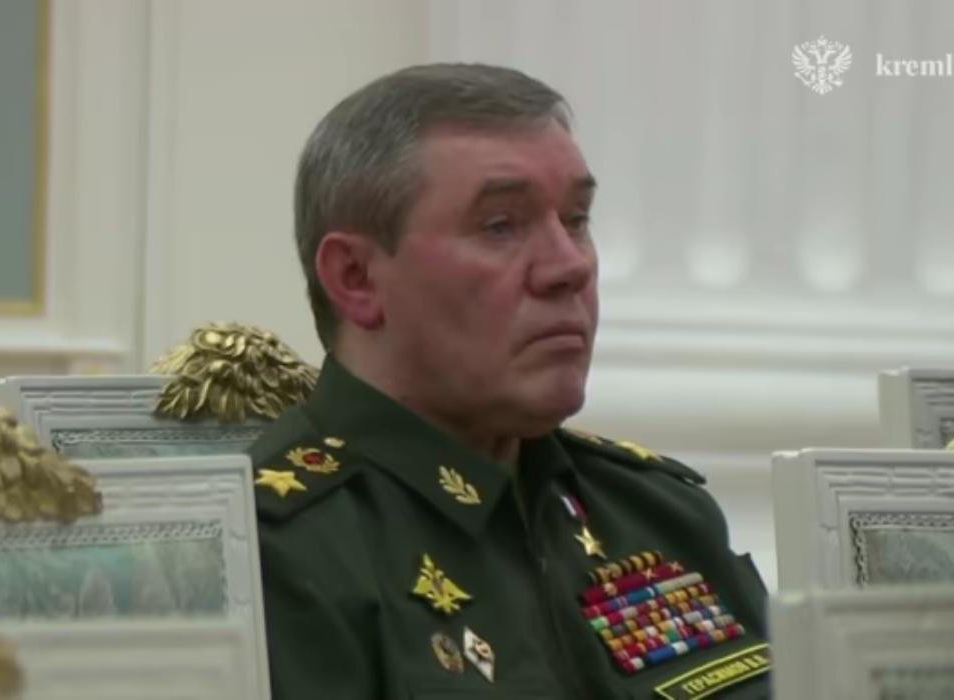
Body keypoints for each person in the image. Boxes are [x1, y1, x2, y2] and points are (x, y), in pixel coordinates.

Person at [249, 63, 771, 699]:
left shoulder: (659, 514)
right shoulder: (270, 555)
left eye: (576, 219)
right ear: (356, 278)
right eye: (500, 226)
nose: (569, 266)